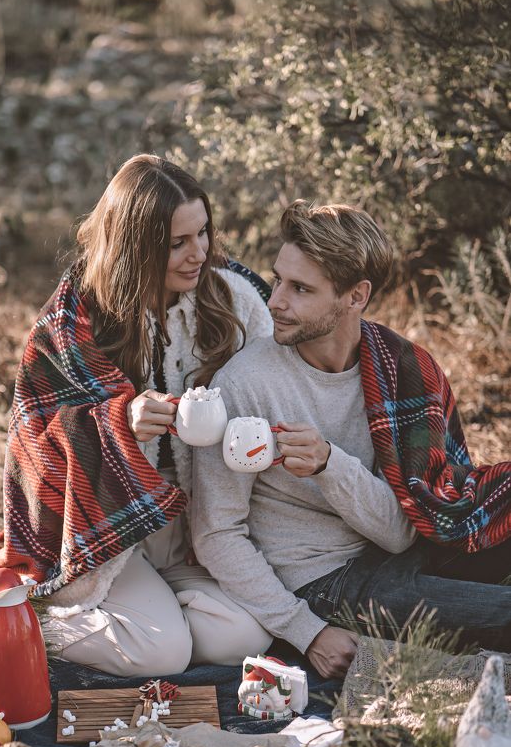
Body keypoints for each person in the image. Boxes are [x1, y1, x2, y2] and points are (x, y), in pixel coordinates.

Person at [0, 154, 273, 676]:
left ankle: (156, 614)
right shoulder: (73, 323)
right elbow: (35, 446)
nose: (199, 253)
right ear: (135, 248)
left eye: (203, 233)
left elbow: (273, 393)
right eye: (177, 244)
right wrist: (118, 426)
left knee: (243, 638)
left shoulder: (235, 302)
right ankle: (12, 622)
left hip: (196, 527)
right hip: (110, 531)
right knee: (163, 654)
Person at [191, 200, 511, 680]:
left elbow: (401, 532)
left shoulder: (401, 369)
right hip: (326, 581)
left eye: (300, 288)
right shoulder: (244, 384)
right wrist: (307, 631)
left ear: (356, 296)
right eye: (278, 280)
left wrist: (329, 464)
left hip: (403, 548)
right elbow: (216, 534)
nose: (275, 301)